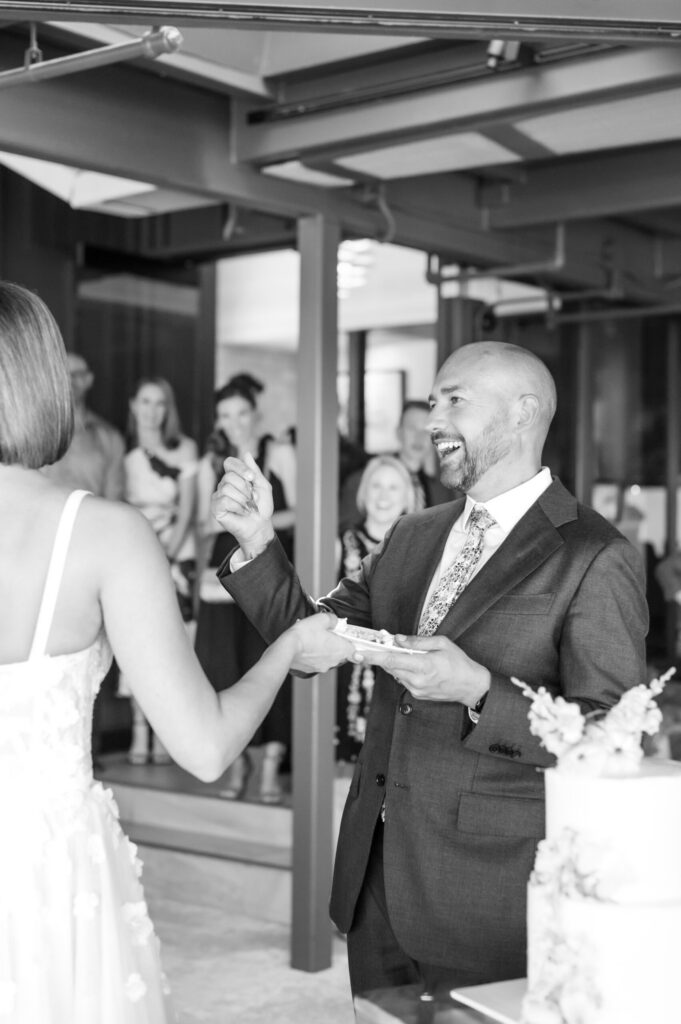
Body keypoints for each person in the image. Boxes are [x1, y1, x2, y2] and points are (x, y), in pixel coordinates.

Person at [212, 340, 648, 1000]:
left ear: (524, 412)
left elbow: (609, 739)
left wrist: (478, 690)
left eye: (454, 400)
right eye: (430, 402)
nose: (433, 419)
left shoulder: (592, 554)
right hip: (375, 874)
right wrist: (256, 543)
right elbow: (311, 637)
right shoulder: (413, 536)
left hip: (489, 891)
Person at [0, 280, 353, 1024]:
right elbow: (204, 746)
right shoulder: (104, 535)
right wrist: (286, 644)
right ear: (41, 383)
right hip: (42, 882)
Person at [194, 374, 296, 803]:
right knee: (223, 664)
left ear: (254, 414)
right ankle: (238, 762)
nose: (233, 422)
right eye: (224, 415)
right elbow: (202, 522)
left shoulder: (280, 453)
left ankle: (271, 764)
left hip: (268, 557)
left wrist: (257, 521)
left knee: (266, 656)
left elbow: (303, 512)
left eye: (240, 413)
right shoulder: (209, 462)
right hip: (222, 567)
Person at [123, 377, 199, 765]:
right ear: (134, 404)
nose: (152, 411)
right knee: (136, 641)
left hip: (175, 551)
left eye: (160, 403)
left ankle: (168, 732)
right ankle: (139, 728)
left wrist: (166, 553)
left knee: (174, 642)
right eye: (146, 401)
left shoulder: (185, 448)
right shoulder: (123, 450)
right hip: (136, 548)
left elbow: (187, 509)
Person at [335, 455, 418, 763]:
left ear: (407, 496)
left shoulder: (423, 548)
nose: (384, 496)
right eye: (376, 486)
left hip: (399, 669)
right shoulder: (340, 543)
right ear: (363, 493)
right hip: (347, 669)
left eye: (393, 488)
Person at [338, 399, 451, 532]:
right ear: (399, 432)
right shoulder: (364, 481)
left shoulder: (442, 491)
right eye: (412, 428)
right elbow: (344, 533)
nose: (418, 437)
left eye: (426, 431)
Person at [41, 351, 126, 500]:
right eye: (63, 372)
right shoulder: (35, 433)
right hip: (43, 520)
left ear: (89, 380)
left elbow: (114, 499)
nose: (70, 379)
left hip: (92, 521)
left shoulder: (110, 437)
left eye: (77, 374)